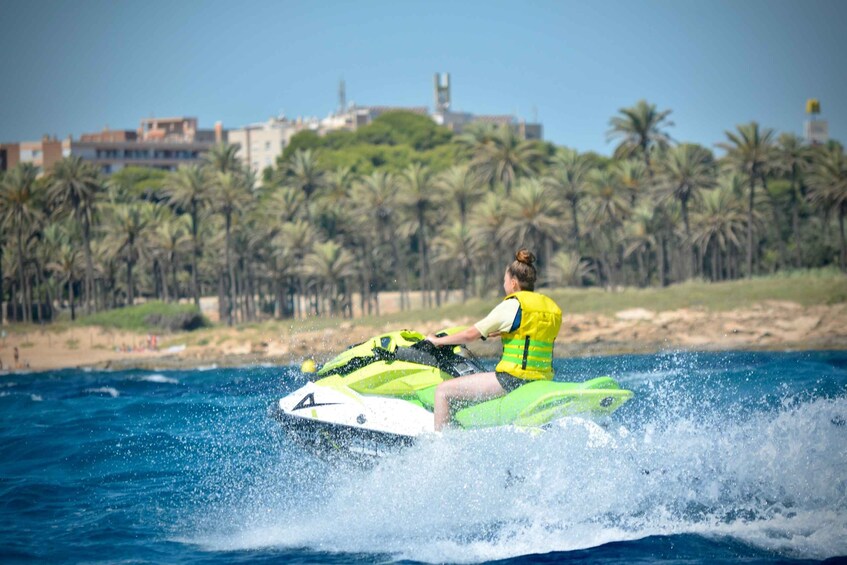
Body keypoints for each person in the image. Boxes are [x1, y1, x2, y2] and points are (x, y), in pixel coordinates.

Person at [426, 249, 562, 431]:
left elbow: (470, 335)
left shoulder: (512, 304)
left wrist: (438, 341)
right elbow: (533, 334)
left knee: (442, 391)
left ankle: (440, 449)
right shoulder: (552, 308)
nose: (504, 285)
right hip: (542, 380)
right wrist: (506, 332)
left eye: (504, 281)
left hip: (512, 380)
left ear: (513, 283)